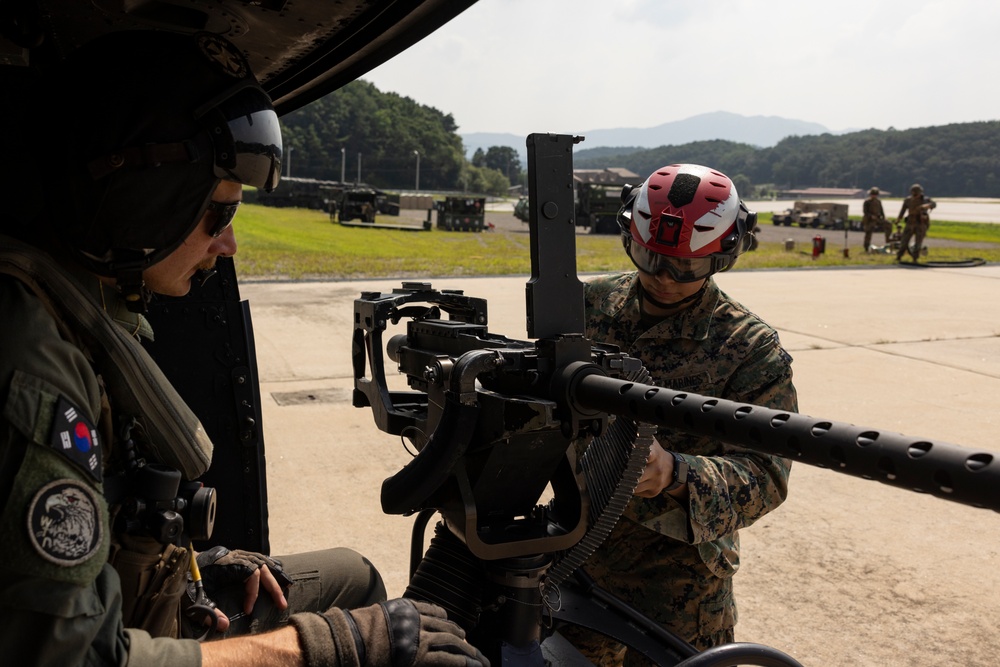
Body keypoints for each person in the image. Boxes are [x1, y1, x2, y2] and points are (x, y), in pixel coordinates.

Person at [0, 29, 486, 667]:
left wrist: (202, 564)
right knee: (373, 627)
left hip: (134, 596)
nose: (227, 246)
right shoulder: (35, 362)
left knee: (353, 575)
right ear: (145, 206)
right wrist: (323, 647)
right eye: (219, 216)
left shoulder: (77, 302)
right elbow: (69, 658)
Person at [568, 164, 796, 663]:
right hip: (577, 562)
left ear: (724, 255)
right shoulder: (586, 307)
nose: (666, 279)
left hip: (680, 590)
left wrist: (675, 473)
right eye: (651, 258)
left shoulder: (748, 348)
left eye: (687, 268)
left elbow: (767, 476)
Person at [896, 183, 936, 262]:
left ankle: (915, 258)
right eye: (914, 194)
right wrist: (899, 219)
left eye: (917, 194)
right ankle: (899, 256)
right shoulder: (908, 200)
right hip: (910, 222)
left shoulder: (925, 199)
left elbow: (934, 204)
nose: (915, 195)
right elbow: (903, 210)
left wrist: (927, 206)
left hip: (920, 223)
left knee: (918, 242)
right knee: (904, 241)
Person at [862, 187, 889, 252]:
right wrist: (871, 216)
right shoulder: (867, 202)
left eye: (875, 194)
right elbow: (865, 211)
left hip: (878, 218)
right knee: (868, 233)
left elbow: (881, 210)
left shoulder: (878, 201)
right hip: (869, 220)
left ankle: (888, 241)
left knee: (889, 224)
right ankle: (866, 247)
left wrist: (884, 217)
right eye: (873, 194)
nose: (874, 196)